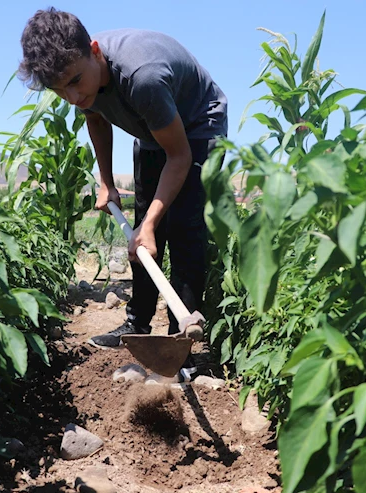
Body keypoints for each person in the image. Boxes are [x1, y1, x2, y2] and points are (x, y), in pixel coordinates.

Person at [18, 8, 227, 380]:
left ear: (95, 51)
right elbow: (95, 116)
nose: (72, 96)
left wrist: (151, 223)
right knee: (142, 235)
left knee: (183, 229)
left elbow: (179, 157)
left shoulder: (141, 78)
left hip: (196, 126)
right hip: (152, 129)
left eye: (75, 82)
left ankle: (187, 344)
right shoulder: (85, 81)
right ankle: (138, 324)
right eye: (59, 90)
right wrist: (106, 182)